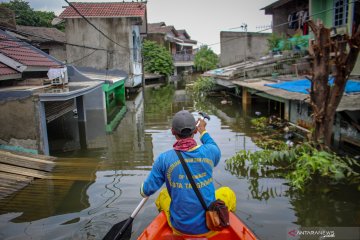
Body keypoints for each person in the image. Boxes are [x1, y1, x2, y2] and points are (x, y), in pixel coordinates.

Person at [140, 110, 236, 236]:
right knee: (227, 193)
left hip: (180, 229)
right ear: (195, 131)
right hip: (211, 225)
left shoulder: (164, 159)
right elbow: (213, 146)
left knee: (163, 195)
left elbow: (145, 191)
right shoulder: (210, 151)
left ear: (173, 132)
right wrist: (203, 130)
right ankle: (225, 220)